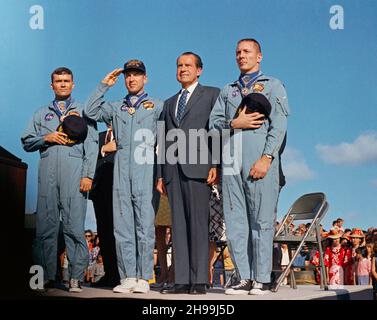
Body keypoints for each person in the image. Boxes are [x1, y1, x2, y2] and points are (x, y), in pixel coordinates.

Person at [209, 38, 290, 295]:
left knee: (261, 220)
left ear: (259, 56)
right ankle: (243, 276)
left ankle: (262, 278)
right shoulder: (227, 90)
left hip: (260, 161)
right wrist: (235, 123)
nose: (241, 56)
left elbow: (279, 126)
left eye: (247, 51)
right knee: (235, 223)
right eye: (238, 52)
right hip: (231, 162)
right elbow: (213, 127)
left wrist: (267, 158)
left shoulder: (273, 85)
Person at [85, 59, 163, 294]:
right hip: (121, 171)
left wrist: (161, 175)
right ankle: (127, 276)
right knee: (123, 226)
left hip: (146, 168)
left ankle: (143, 276)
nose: (131, 78)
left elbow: (166, 141)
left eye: (137, 74)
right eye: (128, 75)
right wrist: (104, 85)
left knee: (144, 225)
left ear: (145, 78)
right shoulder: (115, 107)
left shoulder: (156, 105)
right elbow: (89, 111)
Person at [21, 67, 98, 292]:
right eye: (58, 81)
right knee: (45, 227)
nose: (62, 84)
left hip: (74, 174)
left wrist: (88, 174)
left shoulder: (84, 111)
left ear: (73, 84)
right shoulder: (40, 113)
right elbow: (26, 141)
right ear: (51, 85)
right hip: (47, 174)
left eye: (66, 81)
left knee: (74, 227)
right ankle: (43, 276)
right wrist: (46, 137)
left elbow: (92, 145)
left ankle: (75, 277)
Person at [156, 52, 220, 294]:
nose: (183, 69)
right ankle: (181, 279)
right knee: (178, 227)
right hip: (173, 172)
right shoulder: (169, 102)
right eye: (179, 65)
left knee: (198, 225)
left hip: (199, 169)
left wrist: (215, 163)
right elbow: (162, 139)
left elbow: (217, 131)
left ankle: (199, 280)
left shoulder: (212, 94)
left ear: (199, 70)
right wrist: (160, 175)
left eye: (188, 65)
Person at [89, 125, 120, 287]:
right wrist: (103, 149)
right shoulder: (97, 137)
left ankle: (122, 275)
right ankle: (110, 274)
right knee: (104, 233)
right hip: (99, 191)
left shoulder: (125, 135)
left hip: (119, 191)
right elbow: (87, 157)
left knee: (119, 233)